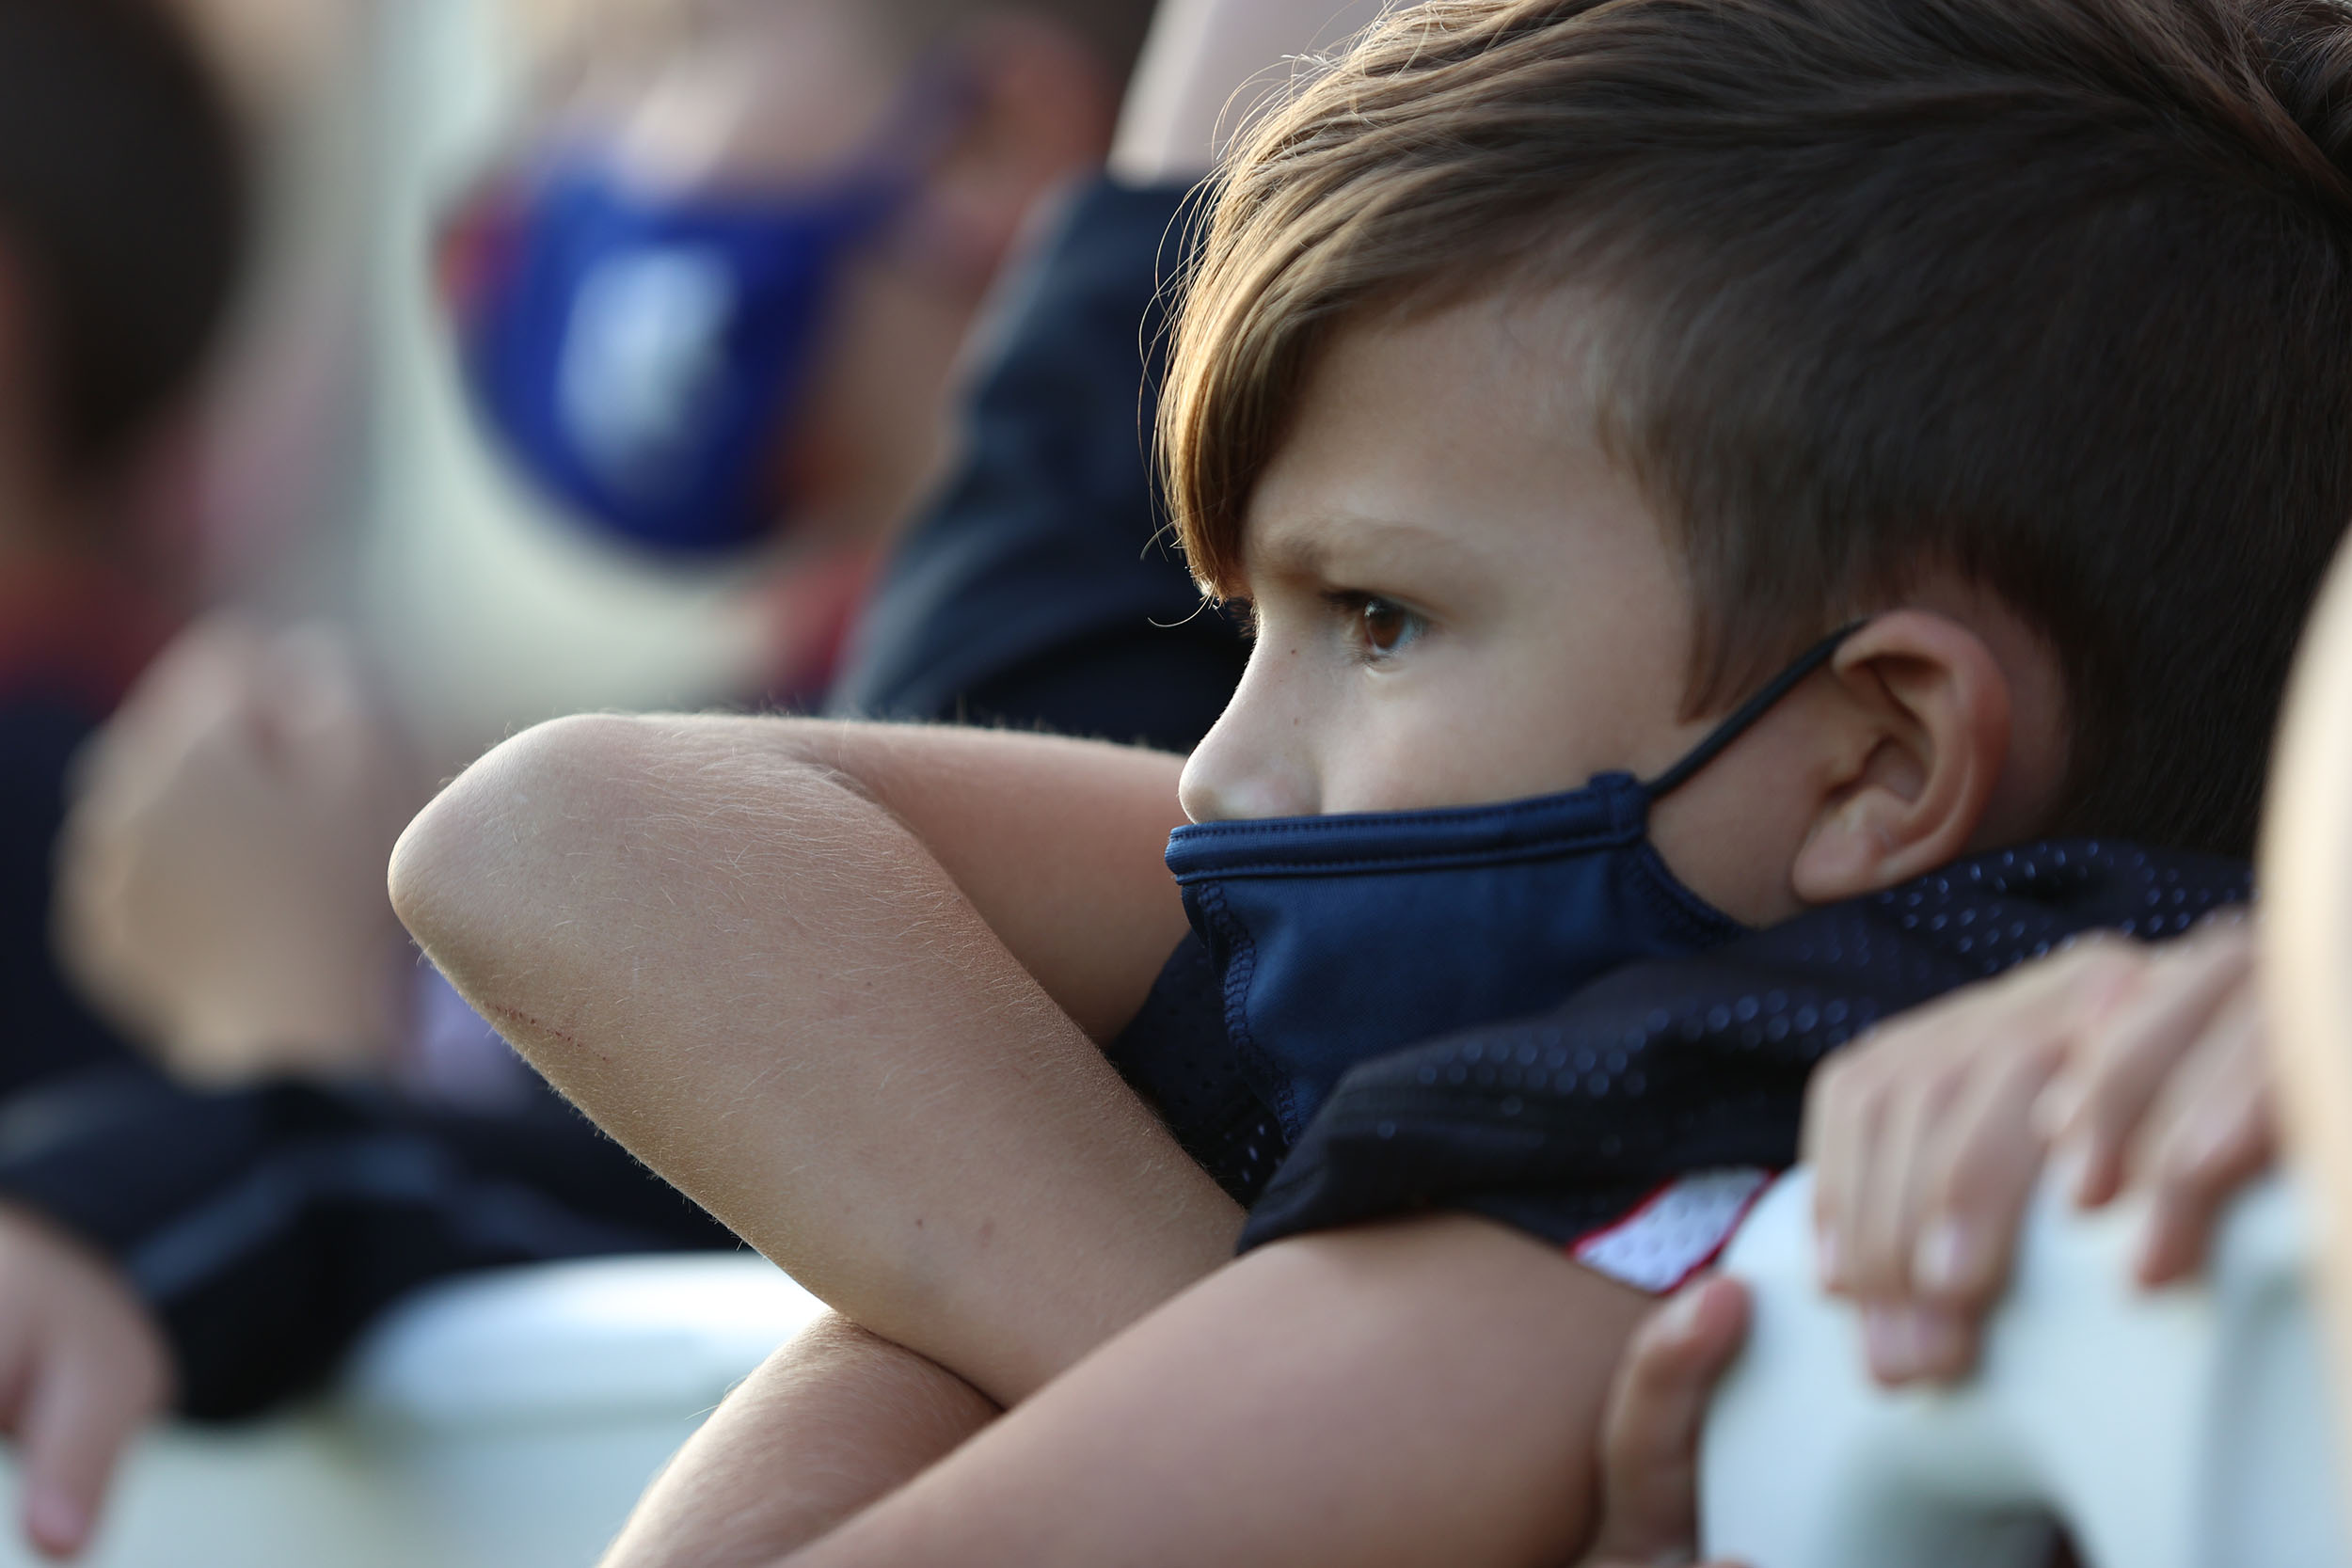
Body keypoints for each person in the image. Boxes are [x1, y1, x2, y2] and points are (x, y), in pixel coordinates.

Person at [389, 0, 2352, 1562]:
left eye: (1381, 619)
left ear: (1877, 759)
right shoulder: (1548, 916)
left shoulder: (1704, 1117)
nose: (1224, 776)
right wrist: (1208, 1337)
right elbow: (539, 836)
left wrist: (1125, 1339)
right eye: (1255, 622)